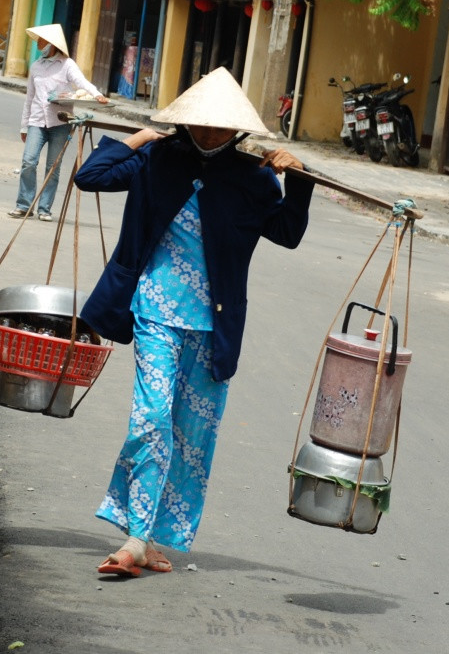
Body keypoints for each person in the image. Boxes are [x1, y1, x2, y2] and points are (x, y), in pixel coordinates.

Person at [73, 67, 312, 577]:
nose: (209, 134)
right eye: (200, 124)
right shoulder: (156, 159)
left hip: (213, 327)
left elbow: (288, 233)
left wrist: (300, 178)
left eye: (221, 127)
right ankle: (136, 538)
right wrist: (136, 139)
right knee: (151, 418)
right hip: (154, 309)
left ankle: (152, 538)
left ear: (239, 131)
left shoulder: (253, 178)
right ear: (184, 122)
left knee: (189, 436)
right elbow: (90, 177)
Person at [11, 24, 108, 223]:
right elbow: (30, 98)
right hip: (37, 121)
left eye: (42, 40)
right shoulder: (36, 66)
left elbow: (81, 83)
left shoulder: (67, 65)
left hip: (61, 122)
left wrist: (97, 94)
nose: (39, 43)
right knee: (28, 162)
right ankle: (24, 206)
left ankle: (44, 208)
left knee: (53, 167)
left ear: (53, 44)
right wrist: (23, 126)